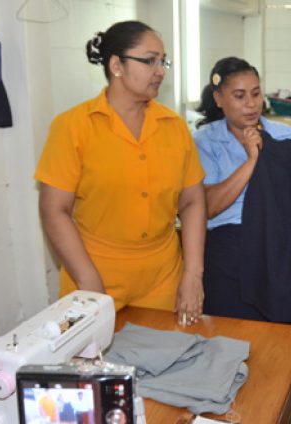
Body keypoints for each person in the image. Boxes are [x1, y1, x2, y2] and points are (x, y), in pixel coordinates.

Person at [35, 21, 206, 325]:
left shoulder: (174, 127)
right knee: (92, 368)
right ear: (116, 65)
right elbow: (54, 210)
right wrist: (88, 282)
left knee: (165, 363)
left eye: (162, 61)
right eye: (149, 60)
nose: (161, 70)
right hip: (93, 272)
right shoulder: (73, 127)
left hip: (162, 276)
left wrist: (193, 274)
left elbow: (192, 201)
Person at [192, 57, 291, 321]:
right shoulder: (204, 142)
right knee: (230, 331)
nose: (251, 104)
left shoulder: (284, 135)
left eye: (256, 94)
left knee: (280, 334)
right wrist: (253, 160)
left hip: (279, 246)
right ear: (219, 98)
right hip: (230, 250)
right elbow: (208, 207)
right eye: (239, 96)